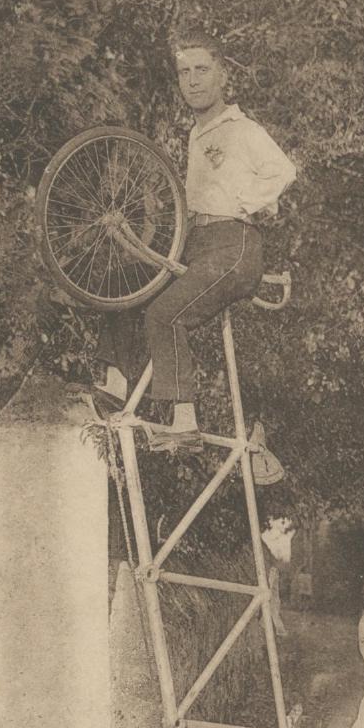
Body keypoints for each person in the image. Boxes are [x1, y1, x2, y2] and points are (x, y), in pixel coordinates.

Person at [93, 30, 296, 452]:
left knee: (165, 314)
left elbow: (283, 172)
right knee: (125, 282)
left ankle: (184, 423)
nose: (193, 80)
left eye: (202, 70)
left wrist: (245, 202)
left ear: (223, 75)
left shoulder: (242, 129)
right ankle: (114, 383)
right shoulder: (196, 134)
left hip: (234, 246)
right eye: (184, 72)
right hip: (199, 244)